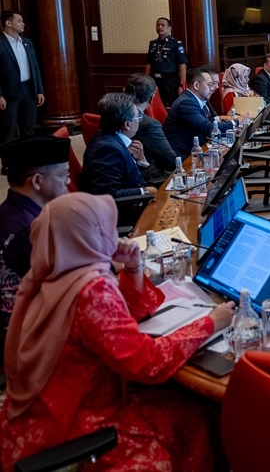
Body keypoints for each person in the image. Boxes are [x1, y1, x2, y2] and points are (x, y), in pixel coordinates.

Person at [0, 192, 235, 470]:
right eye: (104, 227)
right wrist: (211, 323)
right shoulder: (90, 290)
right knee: (201, 418)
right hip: (76, 428)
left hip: (35, 419)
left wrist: (133, 268)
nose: (113, 233)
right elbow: (146, 362)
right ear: (87, 235)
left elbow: (111, 325)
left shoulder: (49, 273)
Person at [0, 136, 70, 333]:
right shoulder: (26, 228)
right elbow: (63, 279)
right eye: (64, 175)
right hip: (30, 331)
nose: (69, 181)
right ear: (38, 181)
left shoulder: (15, 211)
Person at [80, 93, 157, 199]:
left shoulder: (111, 138)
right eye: (137, 117)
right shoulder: (107, 150)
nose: (139, 120)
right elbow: (107, 195)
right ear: (127, 124)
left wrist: (139, 161)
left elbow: (130, 177)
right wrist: (143, 191)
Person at [163, 67, 238, 159]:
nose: (212, 88)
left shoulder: (196, 99)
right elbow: (209, 128)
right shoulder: (186, 103)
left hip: (197, 148)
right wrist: (236, 122)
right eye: (209, 84)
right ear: (196, 85)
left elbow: (210, 121)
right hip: (184, 156)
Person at [0, 11, 45, 148]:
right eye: (19, 21)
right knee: (8, 131)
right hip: (8, 94)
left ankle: (28, 164)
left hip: (29, 91)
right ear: (8, 23)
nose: (23, 23)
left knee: (29, 130)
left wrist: (39, 90)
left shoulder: (27, 43)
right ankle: (8, 166)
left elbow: (35, 68)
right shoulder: (1, 44)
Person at [123, 74, 177, 181]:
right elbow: (170, 162)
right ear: (152, 98)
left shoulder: (112, 114)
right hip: (145, 177)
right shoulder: (149, 124)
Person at [143, 17, 187, 106]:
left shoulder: (175, 43)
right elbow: (149, 64)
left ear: (169, 28)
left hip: (170, 80)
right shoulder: (153, 44)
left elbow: (182, 64)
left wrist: (182, 85)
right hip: (155, 80)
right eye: (158, 25)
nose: (160, 27)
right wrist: (145, 81)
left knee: (174, 105)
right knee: (155, 105)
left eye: (163, 25)